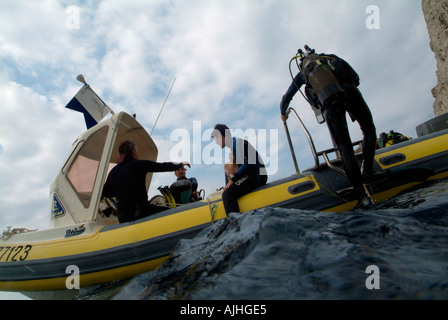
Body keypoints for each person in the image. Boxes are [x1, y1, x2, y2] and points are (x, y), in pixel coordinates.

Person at [280, 47, 377, 206]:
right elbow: (355, 77)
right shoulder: (331, 58)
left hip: (329, 105)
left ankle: (361, 194)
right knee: (368, 129)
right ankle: (368, 171)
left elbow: (287, 97)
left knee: (344, 147)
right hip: (351, 92)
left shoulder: (303, 73)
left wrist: (283, 112)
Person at [103, 140, 190, 223]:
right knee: (174, 214)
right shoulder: (139, 164)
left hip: (122, 217)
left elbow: (107, 193)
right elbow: (162, 166)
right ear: (133, 152)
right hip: (141, 212)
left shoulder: (113, 172)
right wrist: (180, 164)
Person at [211, 124, 267, 213]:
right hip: (254, 174)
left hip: (257, 175)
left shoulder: (236, 143)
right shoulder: (235, 143)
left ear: (221, 136)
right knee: (227, 168)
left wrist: (233, 179)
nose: (216, 142)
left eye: (216, 139)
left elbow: (248, 163)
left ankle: (235, 223)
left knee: (227, 194)